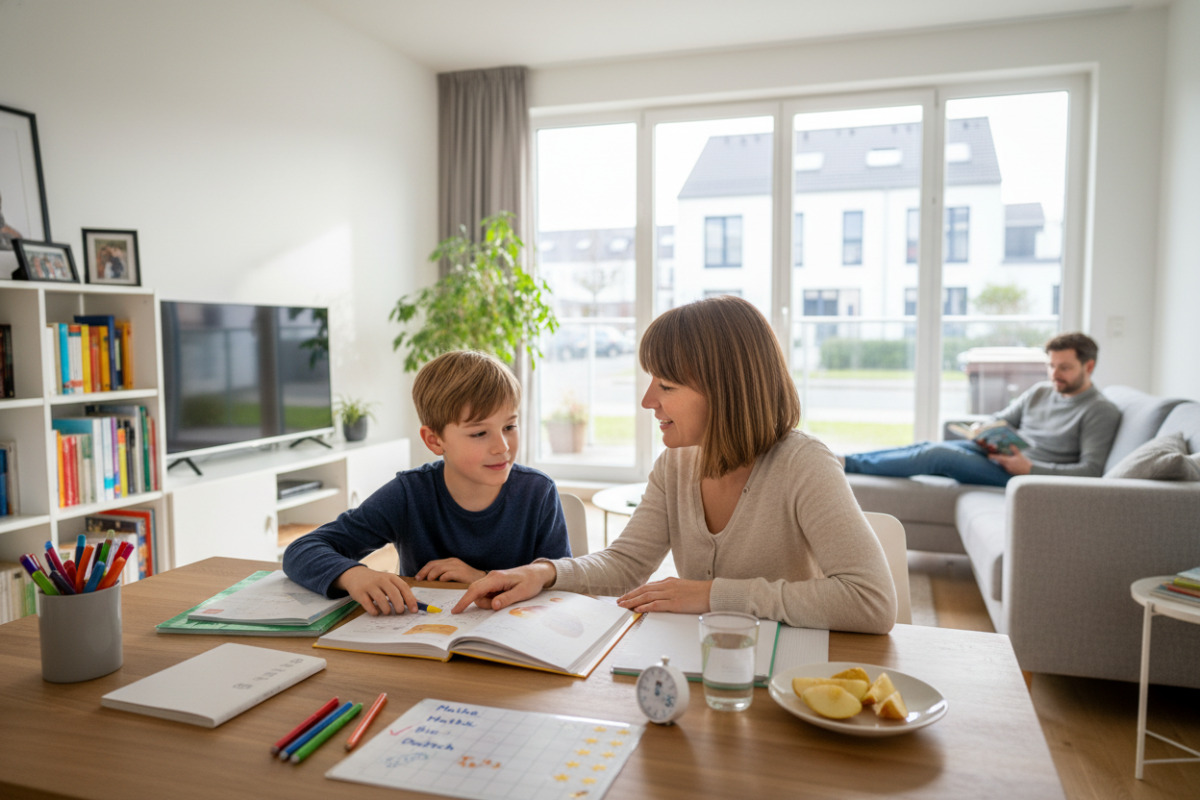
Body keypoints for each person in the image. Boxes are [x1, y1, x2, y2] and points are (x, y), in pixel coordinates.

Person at [452, 296, 897, 634]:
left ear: (726, 390)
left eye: (666, 384)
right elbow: (626, 564)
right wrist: (544, 572)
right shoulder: (676, 464)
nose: (648, 401)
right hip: (710, 661)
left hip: (787, 675)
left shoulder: (804, 465)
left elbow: (871, 602)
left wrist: (711, 596)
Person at [283, 349, 571, 615]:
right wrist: (354, 574)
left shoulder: (537, 492)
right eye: (479, 433)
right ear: (434, 440)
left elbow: (561, 586)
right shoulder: (409, 494)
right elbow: (303, 549)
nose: (502, 447)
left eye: (509, 427)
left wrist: (485, 581)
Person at [842, 332, 1120, 487]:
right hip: (1002, 456)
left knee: (937, 455)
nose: (1054, 374)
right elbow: (1001, 419)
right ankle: (847, 460)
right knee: (929, 445)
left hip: (1022, 475)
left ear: (1089, 367)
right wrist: (984, 431)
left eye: (1065, 368)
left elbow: (1091, 471)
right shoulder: (1041, 391)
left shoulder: (1100, 411)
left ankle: (847, 465)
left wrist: (1031, 468)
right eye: (1051, 365)